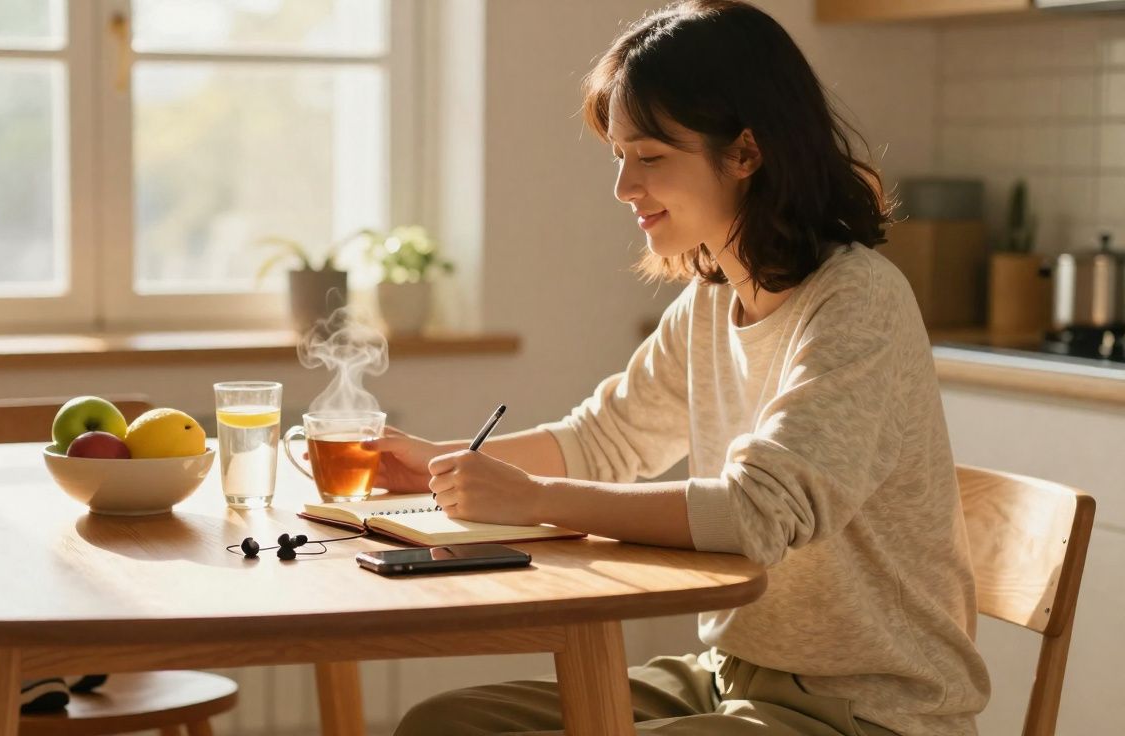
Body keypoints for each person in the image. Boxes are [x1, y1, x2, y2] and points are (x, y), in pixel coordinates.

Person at [375, 2, 990, 735]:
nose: (624, 188)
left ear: (746, 153)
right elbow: (604, 441)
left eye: (652, 158)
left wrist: (533, 498)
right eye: (620, 157)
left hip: (866, 709)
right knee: (446, 725)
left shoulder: (858, 302)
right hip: (727, 677)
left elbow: (757, 514)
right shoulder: (712, 299)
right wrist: (434, 465)